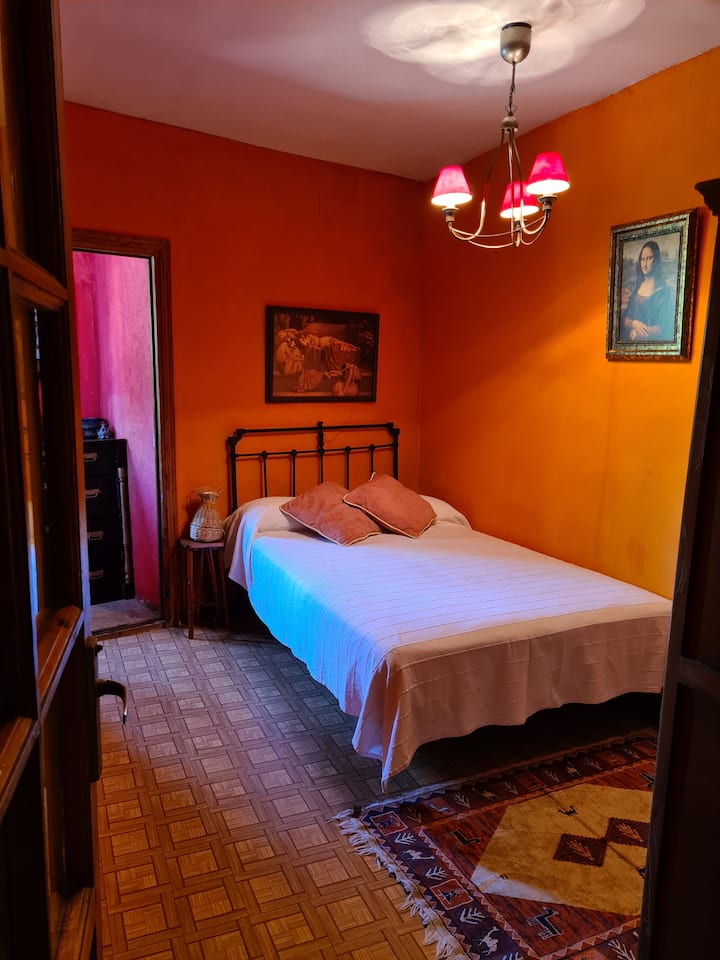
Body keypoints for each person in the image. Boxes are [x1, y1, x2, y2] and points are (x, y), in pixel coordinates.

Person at [620, 240, 675, 341]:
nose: (645, 264)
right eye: (642, 259)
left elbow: (665, 327)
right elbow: (625, 318)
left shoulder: (664, 292)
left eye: (649, 258)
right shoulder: (635, 287)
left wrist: (642, 332)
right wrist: (634, 323)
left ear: (656, 260)